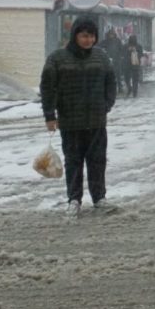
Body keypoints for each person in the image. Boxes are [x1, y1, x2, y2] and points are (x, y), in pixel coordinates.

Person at [40, 16, 118, 218]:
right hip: (70, 121)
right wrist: (50, 115)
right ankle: (74, 199)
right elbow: (48, 88)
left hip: (96, 121)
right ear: (74, 35)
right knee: (73, 161)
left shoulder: (101, 57)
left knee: (97, 161)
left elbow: (111, 83)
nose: (89, 40)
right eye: (84, 35)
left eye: (92, 36)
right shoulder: (57, 59)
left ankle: (99, 198)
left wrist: (106, 105)